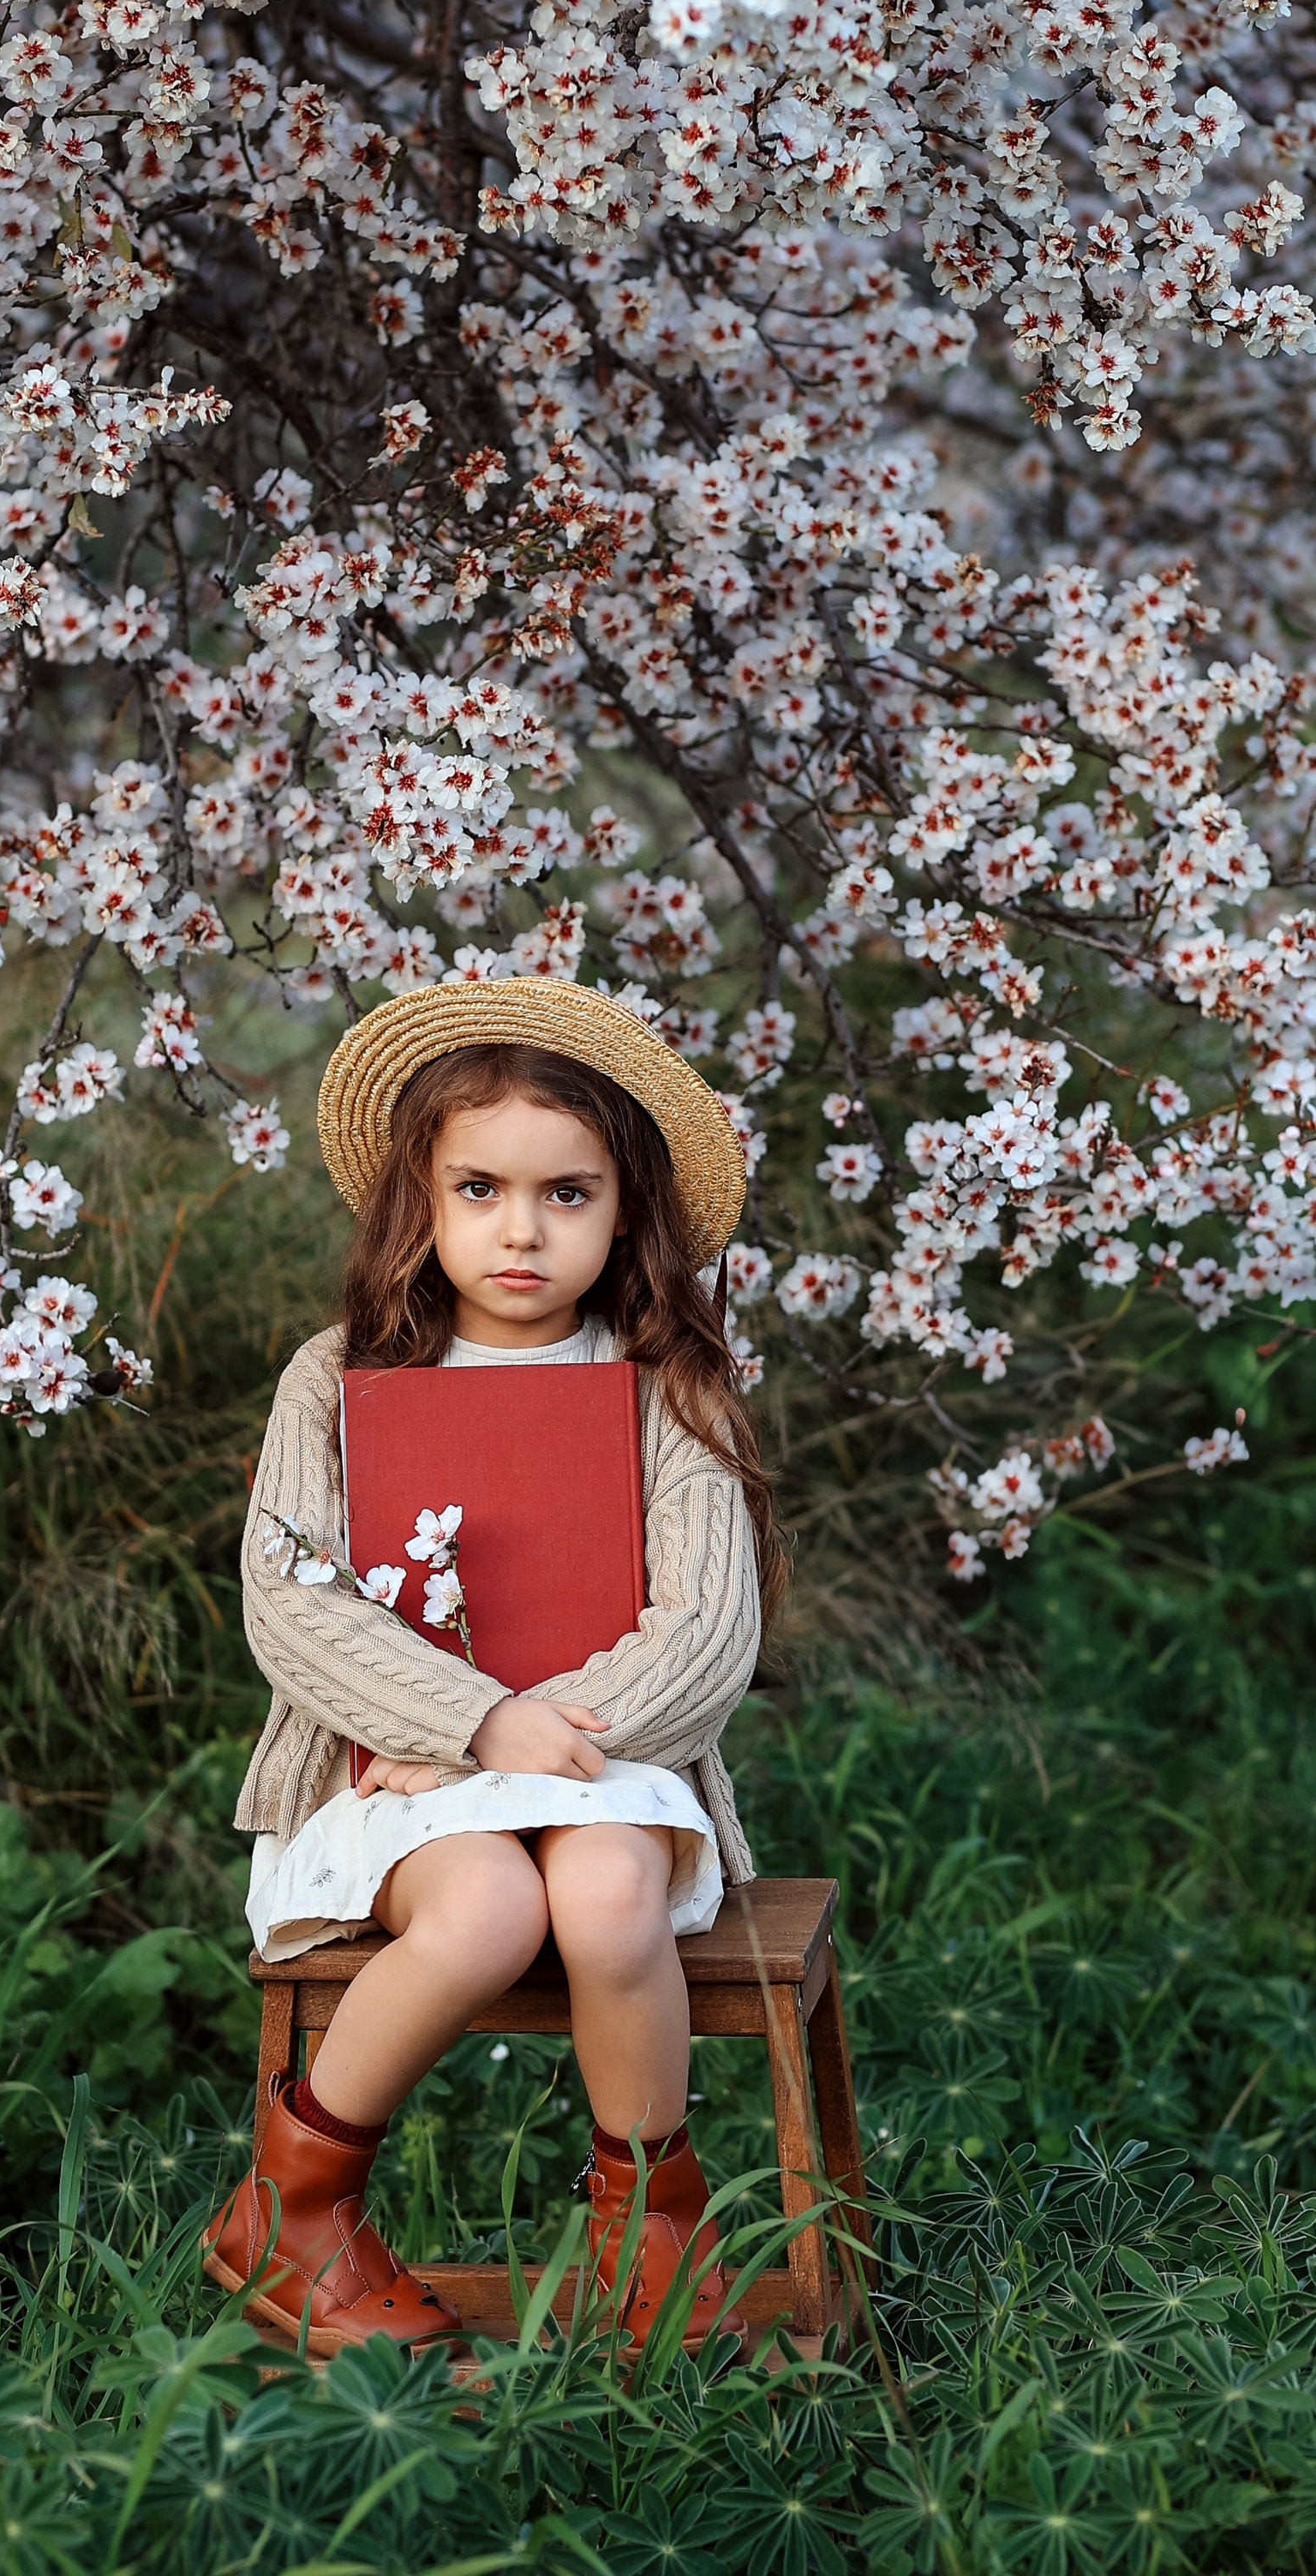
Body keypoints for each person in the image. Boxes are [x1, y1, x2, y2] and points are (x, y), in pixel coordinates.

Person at [201, 973, 783, 2358]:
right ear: (421, 1194)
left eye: (566, 1193)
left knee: (598, 1894)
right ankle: (295, 2208)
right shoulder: (335, 1378)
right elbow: (291, 1601)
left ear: (626, 1205)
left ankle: (649, 2217)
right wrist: (469, 1723)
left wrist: (542, 1733)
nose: (519, 1228)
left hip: (604, 1761)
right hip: (403, 1771)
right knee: (482, 1915)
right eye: (479, 1188)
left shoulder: (665, 1386)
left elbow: (708, 1630)